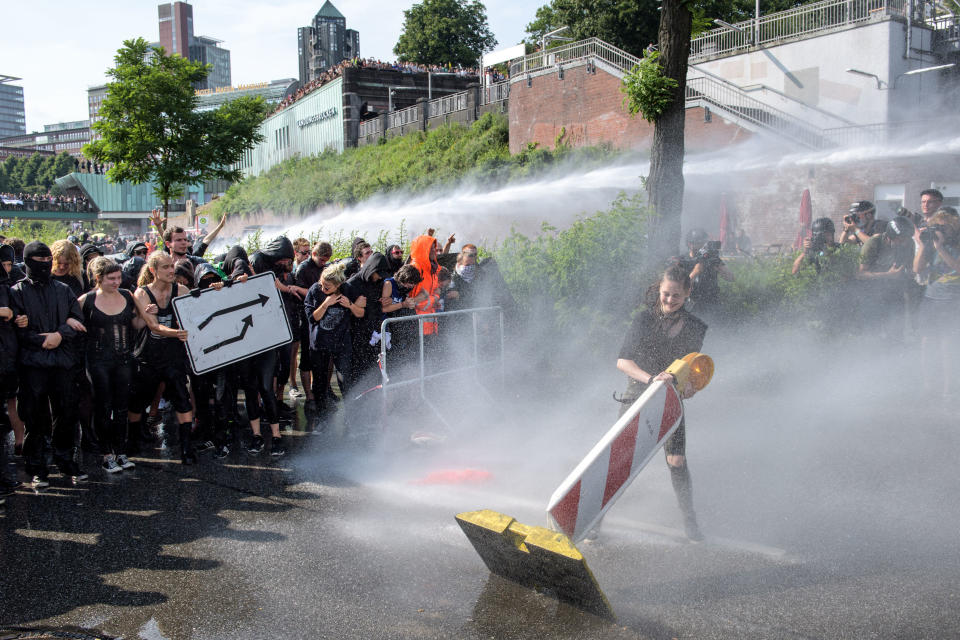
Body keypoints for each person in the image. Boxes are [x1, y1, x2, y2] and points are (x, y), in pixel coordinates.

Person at [615, 265, 708, 541]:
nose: (669, 301)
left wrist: (690, 387)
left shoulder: (695, 327)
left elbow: (689, 371)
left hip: (670, 396)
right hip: (637, 391)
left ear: (687, 293)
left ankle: (690, 521)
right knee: (618, 461)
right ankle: (595, 519)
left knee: (677, 460)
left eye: (676, 296)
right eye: (666, 294)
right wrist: (651, 379)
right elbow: (623, 362)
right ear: (659, 290)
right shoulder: (643, 320)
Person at [10, 241, 87, 486]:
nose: (44, 265)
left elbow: (77, 319)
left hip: (62, 360)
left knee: (66, 412)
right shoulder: (16, 292)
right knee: (35, 416)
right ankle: (37, 466)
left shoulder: (63, 290)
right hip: (32, 363)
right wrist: (45, 339)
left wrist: (60, 335)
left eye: (47, 260)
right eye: (38, 260)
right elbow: (14, 329)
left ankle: (65, 459)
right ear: (28, 261)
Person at [128, 251, 196, 464]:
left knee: (182, 399)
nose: (171, 270)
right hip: (149, 355)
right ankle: (133, 438)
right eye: (165, 267)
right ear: (153, 271)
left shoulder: (181, 289)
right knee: (139, 400)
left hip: (174, 355)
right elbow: (153, 326)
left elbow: (198, 310)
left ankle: (186, 447)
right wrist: (177, 333)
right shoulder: (142, 293)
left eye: (171, 266)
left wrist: (217, 287)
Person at [79, 257, 139, 473]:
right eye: (111, 278)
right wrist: (70, 322)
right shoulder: (86, 300)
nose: (116, 282)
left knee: (122, 406)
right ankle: (106, 454)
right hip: (97, 360)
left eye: (119, 278)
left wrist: (148, 314)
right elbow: (71, 321)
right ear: (98, 279)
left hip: (123, 358)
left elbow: (137, 324)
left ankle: (121, 452)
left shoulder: (127, 295)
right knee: (103, 406)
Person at [304, 261, 365, 432]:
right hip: (320, 343)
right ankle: (322, 417)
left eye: (328, 287)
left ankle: (350, 418)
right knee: (320, 383)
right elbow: (313, 318)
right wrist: (326, 303)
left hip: (341, 343)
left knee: (345, 380)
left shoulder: (347, 289)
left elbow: (361, 313)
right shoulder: (315, 291)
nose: (323, 288)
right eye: (322, 284)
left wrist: (350, 305)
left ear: (338, 285)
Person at [912, 207, 960, 401]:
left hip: (952, 298)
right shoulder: (930, 244)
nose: (941, 230)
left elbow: (957, 268)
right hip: (931, 297)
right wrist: (924, 246)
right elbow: (917, 268)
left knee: (948, 344)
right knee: (927, 342)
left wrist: (941, 247)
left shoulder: (956, 244)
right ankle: (928, 386)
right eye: (937, 226)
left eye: (945, 227)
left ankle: (948, 389)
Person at [294, 242, 333, 405]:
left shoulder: (327, 267)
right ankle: (309, 394)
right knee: (307, 357)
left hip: (325, 318)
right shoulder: (303, 268)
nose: (324, 263)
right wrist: (318, 291)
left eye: (327, 260)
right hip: (307, 317)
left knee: (327, 355)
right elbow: (297, 289)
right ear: (314, 254)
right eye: (322, 260)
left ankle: (325, 388)